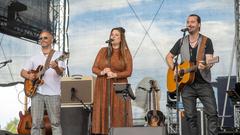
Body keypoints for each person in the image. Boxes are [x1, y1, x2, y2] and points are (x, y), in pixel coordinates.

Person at [166, 14, 218, 135]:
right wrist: (174, 68)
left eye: (193, 22)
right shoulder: (181, 41)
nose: (189, 24)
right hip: (186, 86)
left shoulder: (206, 41)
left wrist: (206, 65)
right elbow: (169, 57)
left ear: (199, 24)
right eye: (188, 22)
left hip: (203, 83)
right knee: (190, 117)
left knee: (212, 114)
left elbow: (210, 60)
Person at [20, 30, 66, 135]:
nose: (42, 40)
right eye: (40, 38)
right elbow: (22, 72)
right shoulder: (34, 58)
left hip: (53, 93)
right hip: (37, 93)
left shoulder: (59, 55)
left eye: (45, 37)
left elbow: (61, 73)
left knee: (55, 123)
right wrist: (29, 76)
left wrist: (55, 68)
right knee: (35, 123)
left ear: (51, 40)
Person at [91, 27, 133, 135]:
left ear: (121, 38)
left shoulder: (125, 53)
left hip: (120, 85)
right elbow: (94, 68)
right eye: (112, 34)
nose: (113, 36)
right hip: (103, 85)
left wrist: (116, 74)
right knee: (104, 111)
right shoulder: (102, 51)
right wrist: (102, 71)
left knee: (120, 113)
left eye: (116, 35)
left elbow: (129, 72)